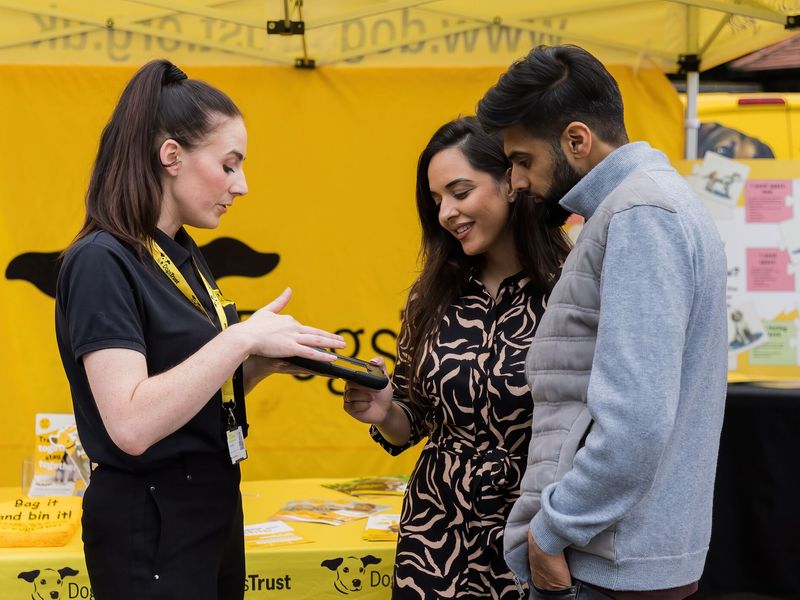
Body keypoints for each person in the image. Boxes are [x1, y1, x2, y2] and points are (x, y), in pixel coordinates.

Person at [55, 60, 344, 600]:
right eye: (230, 165)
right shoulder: (102, 260)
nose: (243, 185)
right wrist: (240, 339)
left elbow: (187, 399)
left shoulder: (181, 252)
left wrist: (258, 364)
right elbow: (132, 424)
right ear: (171, 156)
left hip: (207, 505)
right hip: (151, 519)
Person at [476, 45, 728, 599]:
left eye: (522, 160)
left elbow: (636, 418)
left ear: (576, 140)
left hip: (610, 557)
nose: (516, 181)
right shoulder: (652, 203)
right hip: (625, 550)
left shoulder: (640, 214)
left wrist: (551, 531)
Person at [341, 117, 572, 599]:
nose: (447, 212)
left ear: (511, 182)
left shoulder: (571, 290)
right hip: (435, 532)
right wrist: (384, 411)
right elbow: (415, 421)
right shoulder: (432, 296)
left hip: (533, 529)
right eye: (436, 201)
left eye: (460, 192)